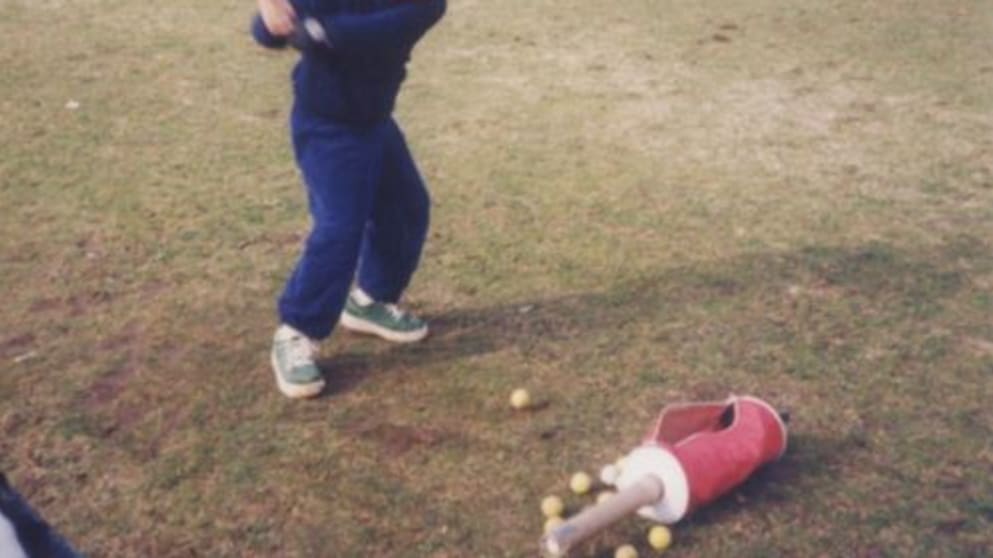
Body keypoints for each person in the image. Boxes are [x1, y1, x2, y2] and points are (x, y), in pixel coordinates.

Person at [251, 0, 446, 398]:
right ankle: (296, 332)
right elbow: (266, 33)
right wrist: (272, 18)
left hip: (373, 121)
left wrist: (313, 30)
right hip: (326, 125)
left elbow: (371, 33)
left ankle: (370, 300)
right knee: (340, 227)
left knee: (406, 208)